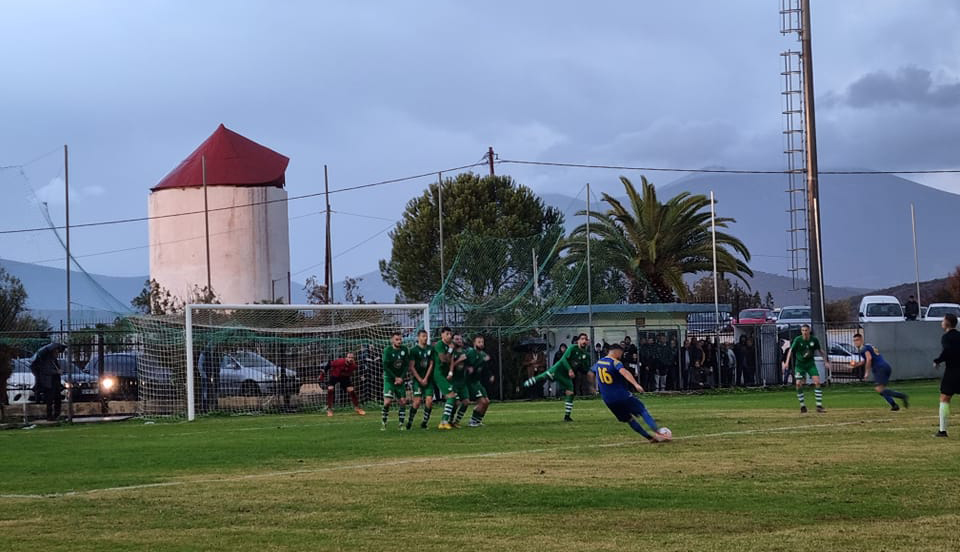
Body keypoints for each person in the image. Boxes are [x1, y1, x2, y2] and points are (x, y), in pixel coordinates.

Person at [592, 343, 669, 443]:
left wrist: (592, 387)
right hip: (621, 395)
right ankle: (658, 432)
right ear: (616, 352)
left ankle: (649, 438)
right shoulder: (615, 362)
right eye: (621, 353)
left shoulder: (599, 362)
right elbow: (624, 372)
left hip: (608, 399)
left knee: (629, 419)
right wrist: (636, 384)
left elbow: (590, 373)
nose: (621, 356)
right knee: (642, 410)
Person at [523, 333, 591, 421]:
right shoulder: (572, 348)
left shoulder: (586, 355)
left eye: (586, 339)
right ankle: (528, 383)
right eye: (582, 339)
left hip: (566, 376)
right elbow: (563, 359)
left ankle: (567, 416)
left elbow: (584, 368)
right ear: (578, 341)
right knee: (544, 377)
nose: (584, 341)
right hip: (558, 370)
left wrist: (588, 371)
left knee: (570, 392)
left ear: (588, 342)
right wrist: (570, 369)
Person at [850, 333, 908, 411]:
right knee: (881, 390)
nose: (856, 342)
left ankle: (902, 396)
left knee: (879, 389)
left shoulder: (864, 348)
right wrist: (857, 364)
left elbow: (869, 359)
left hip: (880, 368)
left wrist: (867, 372)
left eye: (857, 340)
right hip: (885, 367)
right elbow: (867, 360)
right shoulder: (868, 346)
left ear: (861, 340)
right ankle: (894, 405)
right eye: (854, 341)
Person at [782, 324, 825, 413]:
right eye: (803, 330)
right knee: (798, 384)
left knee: (817, 382)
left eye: (806, 330)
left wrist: (826, 360)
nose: (804, 332)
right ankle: (802, 406)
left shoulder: (814, 340)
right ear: (801, 331)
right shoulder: (798, 340)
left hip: (810, 364)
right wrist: (786, 362)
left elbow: (820, 350)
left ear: (809, 331)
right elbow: (790, 350)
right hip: (800, 365)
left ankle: (819, 406)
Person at [933, 313, 960, 437]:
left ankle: (942, 430)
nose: (941, 322)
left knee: (944, 398)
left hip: (952, 371)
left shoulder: (946, 337)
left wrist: (938, 360)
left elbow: (947, 351)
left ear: (947, 323)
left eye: (943, 320)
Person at [432, 327, 460, 430]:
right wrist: (451, 349)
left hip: (446, 374)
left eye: (450, 334)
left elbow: (451, 360)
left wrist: (451, 372)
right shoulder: (440, 345)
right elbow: (443, 359)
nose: (449, 336)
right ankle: (443, 422)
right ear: (442, 335)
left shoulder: (450, 346)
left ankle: (450, 421)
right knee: (451, 396)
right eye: (447, 334)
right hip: (438, 374)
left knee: (456, 401)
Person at [30, 342, 66, 421]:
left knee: (57, 399)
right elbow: (46, 370)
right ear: (52, 351)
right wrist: (57, 372)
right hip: (49, 382)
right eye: (56, 351)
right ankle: (49, 416)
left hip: (56, 382)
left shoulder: (54, 360)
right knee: (50, 400)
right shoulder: (46, 360)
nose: (57, 353)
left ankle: (57, 414)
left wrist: (59, 371)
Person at [406, 329, 434, 430]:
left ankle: (424, 422)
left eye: (426, 336)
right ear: (418, 337)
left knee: (429, 400)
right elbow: (411, 367)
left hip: (428, 379)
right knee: (417, 402)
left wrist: (426, 378)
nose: (425, 338)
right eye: (423, 336)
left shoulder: (430, 349)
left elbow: (431, 364)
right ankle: (410, 421)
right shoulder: (413, 350)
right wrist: (420, 379)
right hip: (418, 380)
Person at [380, 332, 409, 431]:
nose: (399, 341)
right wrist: (395, 378)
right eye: (397, 339)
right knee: (387, 402)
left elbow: (406, 365)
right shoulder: (387, 350)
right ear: (392, 340)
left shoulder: (404, 349)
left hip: (400, 379)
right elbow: (385, 366)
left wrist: (401, 377)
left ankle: (401, 424)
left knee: (403, 401)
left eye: (400, 339)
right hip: (389, 379)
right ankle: (384, 422)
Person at [465, 335, 495, 427]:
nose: (481, 344)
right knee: (482, 401)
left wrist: (490, 375)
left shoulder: (483, 354)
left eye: (482, 342)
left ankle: (477, 420)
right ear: (474, 343)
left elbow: (485, 368)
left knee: (486, 402)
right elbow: (463, 361)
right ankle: (472, 421)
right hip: (470, 382)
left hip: (477, 382)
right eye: (479, 342)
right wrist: (468, 368)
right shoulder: (470, 352)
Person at [324, 352, 365, 417]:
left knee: (351, 390)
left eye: (352, 358)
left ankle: (357, 408)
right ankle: (329, 410)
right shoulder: (340, 362)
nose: (351, 359)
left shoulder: (354, 366)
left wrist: (362, 376)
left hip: (345, 378)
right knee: (330, 389)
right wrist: (323, 373)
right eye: (349, 357)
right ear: (346, 358)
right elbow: (329, 364)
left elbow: (359, 370)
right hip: (335, 376)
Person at [449, 334, 471, 427]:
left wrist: (470, 368)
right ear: (452, 340)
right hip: (453, 382)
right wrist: (459, 360)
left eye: (460, 339)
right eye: (457, 339)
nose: (459, 341)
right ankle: (450, 420)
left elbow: (469, 364)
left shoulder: (465, 352)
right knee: (456, 403)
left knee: (466, 402)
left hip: (462, 382)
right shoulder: (451, 353)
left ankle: (457, 421)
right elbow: (448, 367)